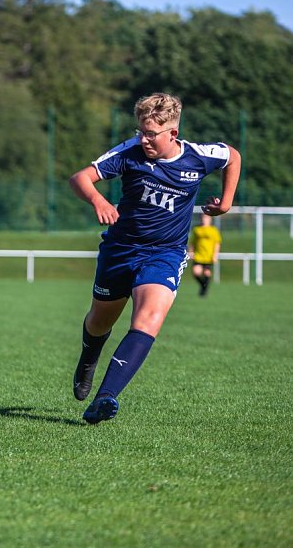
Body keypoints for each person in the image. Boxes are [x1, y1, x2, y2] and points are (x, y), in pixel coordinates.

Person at [68, 92, 240, 424]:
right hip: (120, 250)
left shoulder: (198, 157)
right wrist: (99, 201)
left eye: (152, 134)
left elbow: (233, 156)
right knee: (100, 321)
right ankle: (89, 358)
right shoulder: (129, 154)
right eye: (141, 132)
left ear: (173, 133)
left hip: (166, 253)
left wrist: (227, 201)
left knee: (148, 319)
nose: (144, 139)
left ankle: (106, 398)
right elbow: (81, 178)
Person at [188, 213, 222, 297]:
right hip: (198, 255)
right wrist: (191, 251)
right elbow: (193, 242)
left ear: (210, 219)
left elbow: (217, 243)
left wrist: (215, 255)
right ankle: (203, 285)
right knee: (196, 272)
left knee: (207, 273)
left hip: (208, 255)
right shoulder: (197, 229)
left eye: (206, 218)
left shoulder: (213, 230)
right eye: (203, 217)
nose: (204, 219)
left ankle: (204, 290)